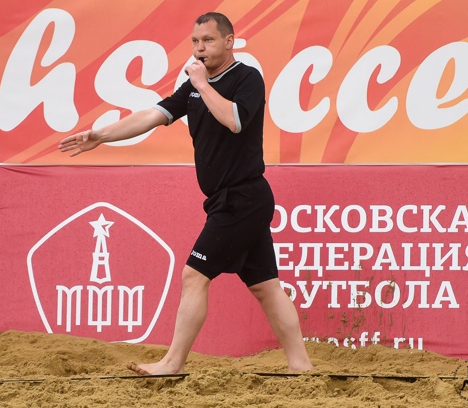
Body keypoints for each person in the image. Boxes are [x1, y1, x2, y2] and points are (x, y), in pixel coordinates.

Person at [59, 12, 314, 374]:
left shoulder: (246, 78)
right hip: (231, 200)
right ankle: (301, 365)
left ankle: (173, 363)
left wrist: (202, 84)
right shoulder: (193, 85)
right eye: (195, 42)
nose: (199, 48)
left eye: (208, 40)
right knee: (266, 286)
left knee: (194, 275)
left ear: (229, 41)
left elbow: (235, 121)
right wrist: (101, 135)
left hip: (242, 198)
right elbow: (153, 114)